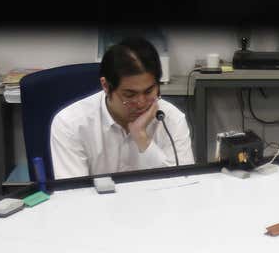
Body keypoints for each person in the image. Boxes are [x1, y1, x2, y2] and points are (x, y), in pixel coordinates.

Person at [49, 38, 193, 180]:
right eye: (130, 95)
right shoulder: (70, 124)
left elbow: (183, 186)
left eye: (149, 91)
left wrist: (142, 137)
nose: (141, 103)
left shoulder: (171, 119)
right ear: (106, 86)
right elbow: (74, 194)